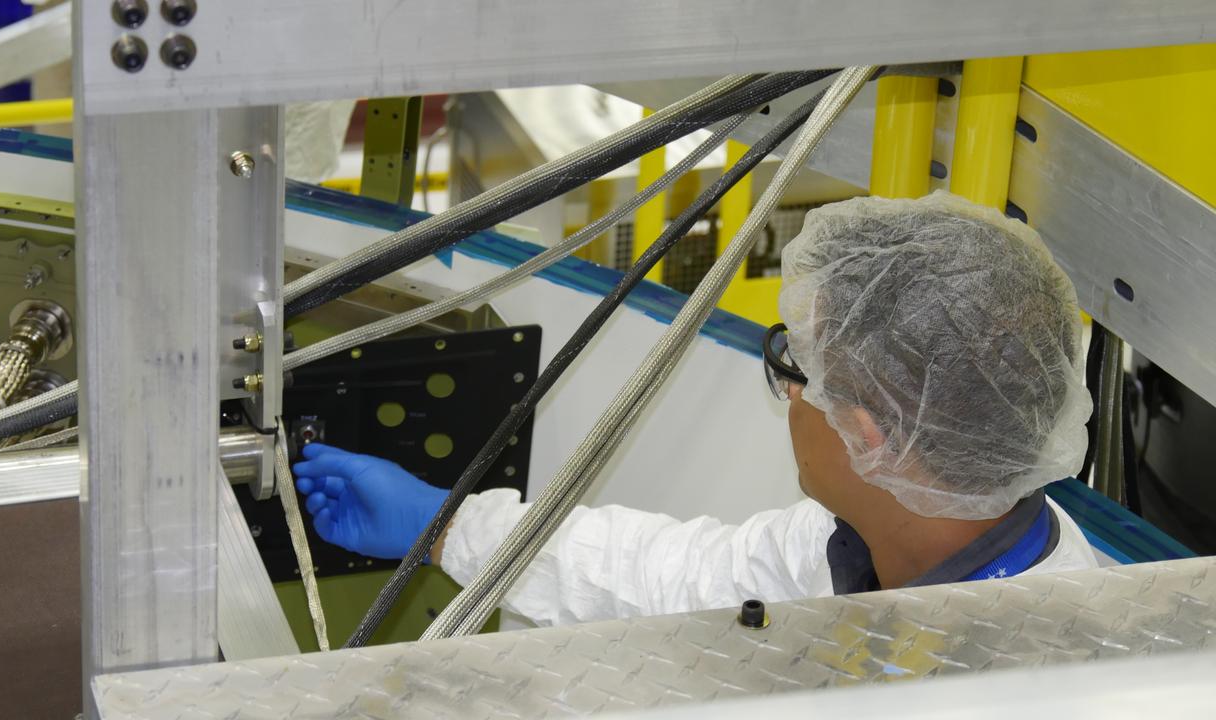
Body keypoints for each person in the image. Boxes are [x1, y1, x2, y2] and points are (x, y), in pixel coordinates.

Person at [293, 191, 1098, 627]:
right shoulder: (862, 542)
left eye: (797, 368)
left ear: (869, 437)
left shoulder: (1032, 668)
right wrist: (446, 527)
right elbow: (665, 576)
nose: (786, 391)